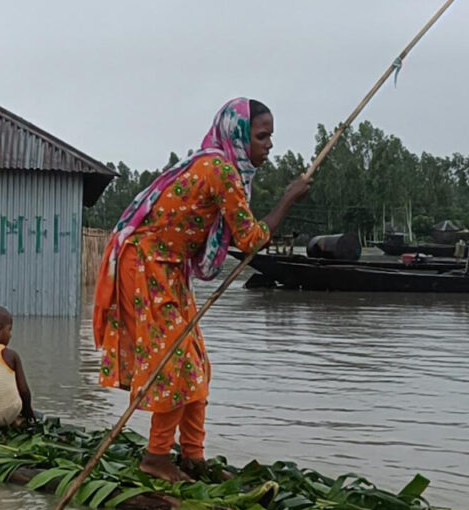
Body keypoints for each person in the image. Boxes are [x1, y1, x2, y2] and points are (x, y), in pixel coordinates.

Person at [93, 98, 310, 482]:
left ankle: (192, 456)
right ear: (240, 137)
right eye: (262, 136)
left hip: (170, 267)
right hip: (144, 263)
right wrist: (288, 198)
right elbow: (251, 237)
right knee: (174, 363)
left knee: (197, 363)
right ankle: (156, 457)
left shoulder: (225, 169)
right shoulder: (220, 170)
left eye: (271, 137)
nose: (269, 145)